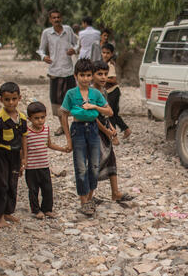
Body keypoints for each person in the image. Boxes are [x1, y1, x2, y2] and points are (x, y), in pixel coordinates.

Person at [61, 58, 113, 217]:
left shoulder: (96, 94)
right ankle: (84, 201)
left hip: (92, 130)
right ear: (76, 76)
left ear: (91, 77)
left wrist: (94, 106)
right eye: (82, 75)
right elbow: (63, 115)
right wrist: (68, 139)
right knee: (81, 167)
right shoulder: (71, 94)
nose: (85, 79)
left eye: (88, 75)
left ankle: (89, 198)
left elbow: (109, 111)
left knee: (95, 165)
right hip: (78, 130)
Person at [92, 60, 134, 204]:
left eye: (105, 74)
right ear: (92, 76)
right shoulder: (92, 93)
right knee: (96, 162)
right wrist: (106, 130)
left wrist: (111, 127)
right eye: (99, 74)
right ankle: (88, 196)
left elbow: (105, 115)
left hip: (104, 128)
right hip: (95, 130)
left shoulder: (103, 91)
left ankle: (115, 192)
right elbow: (93, 117)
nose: (103, 77)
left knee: (110, 159)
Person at [25, 101, 69, 219]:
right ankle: (36, 210)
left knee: (47, 189)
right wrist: (22, 162)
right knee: (33, 190)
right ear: (29, 119)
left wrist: (63, 149)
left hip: (44, 165)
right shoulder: (27, 132)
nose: (40, 120)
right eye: (36, 118)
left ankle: (47, 209)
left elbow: (49, 144)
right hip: (31, 167)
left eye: (42, 117)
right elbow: (24, 149)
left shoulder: (46, 129)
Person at [37, 9, 77, 136]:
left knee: (72, 99)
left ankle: (75, 126)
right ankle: (63, 127)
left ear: (62, 18)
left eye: (58, 17)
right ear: (50, 20)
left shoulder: (68, 30)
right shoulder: (47, 33)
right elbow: (41, 50)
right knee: (57, 100)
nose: (56, 20)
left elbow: (77, 44)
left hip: (68, 70)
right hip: (54, 71)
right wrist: (44, 57)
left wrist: (74, 50)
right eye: (53, 18)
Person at [0, 82, 27, 228]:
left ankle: (8, 211)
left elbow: (24, 138)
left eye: (14, 99)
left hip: (15, 155)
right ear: (1, 100)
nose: (11, 102)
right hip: (2, 154)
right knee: (1, 184)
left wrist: (24, 157)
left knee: (13, 183)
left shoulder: (22, 118)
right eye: (7, 99)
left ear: (19, 98)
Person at [101, 40, 132, 139]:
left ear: (112, 54)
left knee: (111, 114)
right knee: (113, 113)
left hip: (113, 92)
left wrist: (102, 79)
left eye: (108, 53)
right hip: (110, 92)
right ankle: (126, 129)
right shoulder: (105, 63)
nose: (105, 55)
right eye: (104, 53)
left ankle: (113, 134)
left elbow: (114, 79)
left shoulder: (110, 64)